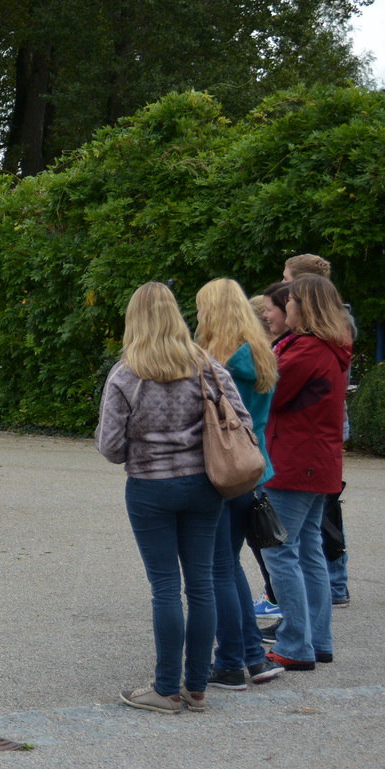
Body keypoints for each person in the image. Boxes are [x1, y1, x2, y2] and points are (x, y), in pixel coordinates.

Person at [96, 281, 251, 715]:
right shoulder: (206, 366)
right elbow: (240, 420)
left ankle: (165, 689)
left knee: (165, 586)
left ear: (134, 320)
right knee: (200, 585)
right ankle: (197, 687)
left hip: (149, 488)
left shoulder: (126, 373)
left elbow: (110, 446)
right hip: (205, 485)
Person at [193, 280, 285, 691]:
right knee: (228, 566)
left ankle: (231, 660)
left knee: (217, 569)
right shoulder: (261, 354)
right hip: (251, 467)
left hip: (222, 469)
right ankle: (251, 655)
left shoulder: (220, 363)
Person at [259, 274, 352, 671]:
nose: (286, 306)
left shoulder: (307, 349)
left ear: (304, 306)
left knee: (280, 550)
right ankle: (316, 640)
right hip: (317, 463)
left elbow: (269, 390)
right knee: (309, 551)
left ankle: (296, 644)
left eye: (291, 300)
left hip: (296, 463)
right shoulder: (330, 347)